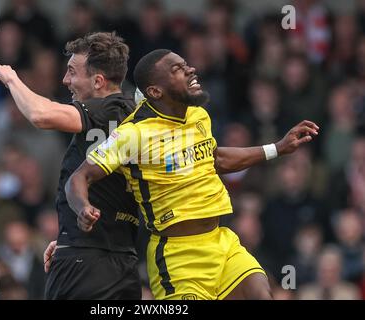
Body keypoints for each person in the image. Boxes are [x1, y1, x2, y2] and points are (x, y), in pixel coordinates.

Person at [65, 49, 320, 300]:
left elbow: (215, 157)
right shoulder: (134, 134)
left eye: (186, 64)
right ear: (155, 91)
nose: (190, 70)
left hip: (221, 243)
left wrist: (277, 147)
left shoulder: (198, 115)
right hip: (178, 258)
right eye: (177, 69)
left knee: (261, 293)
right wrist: (82, 207)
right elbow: (79, 177)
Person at [0, 32, 141, 299]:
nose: (65, 80)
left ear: (98, 81)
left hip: (85, 268)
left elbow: (40, 115)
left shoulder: (102, 110)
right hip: (122, 261)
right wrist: (70, 241)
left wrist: (12, 80)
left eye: (71, 72)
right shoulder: (139, 118)